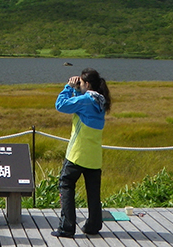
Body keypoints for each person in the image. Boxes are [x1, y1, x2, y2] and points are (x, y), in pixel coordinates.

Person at [52, 68, 112, 238]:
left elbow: (61, 105)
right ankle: (93, 225)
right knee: (93, 191)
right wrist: (78, 90)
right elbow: (83, 103)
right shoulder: (101, 102)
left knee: (66, 185)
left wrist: (69, 87)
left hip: (77, 154)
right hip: (94, 156)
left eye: (82, 83)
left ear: (87, 84)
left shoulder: (86, 100)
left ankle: (66, 227)